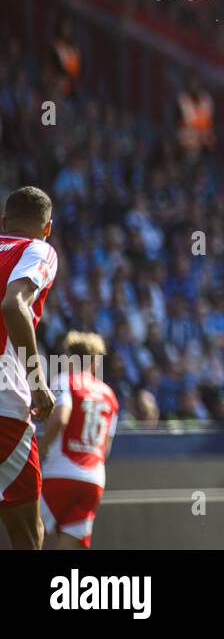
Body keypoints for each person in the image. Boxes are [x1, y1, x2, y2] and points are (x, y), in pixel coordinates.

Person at [0, 186, 60, 550]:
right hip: (6, 402)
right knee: (29, 535)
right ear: (47, 228)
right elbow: (13, 305)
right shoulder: (37, 250)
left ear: (4, 222)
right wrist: (38, 382)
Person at [38, 331, 119, 549]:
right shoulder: (109, 394)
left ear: (68, 357)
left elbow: (60, 418)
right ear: (94, 362)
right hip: (93, 480)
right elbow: (106, 448)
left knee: (26, 534)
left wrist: (40, 449)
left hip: (60, 473)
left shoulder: (65, 380)